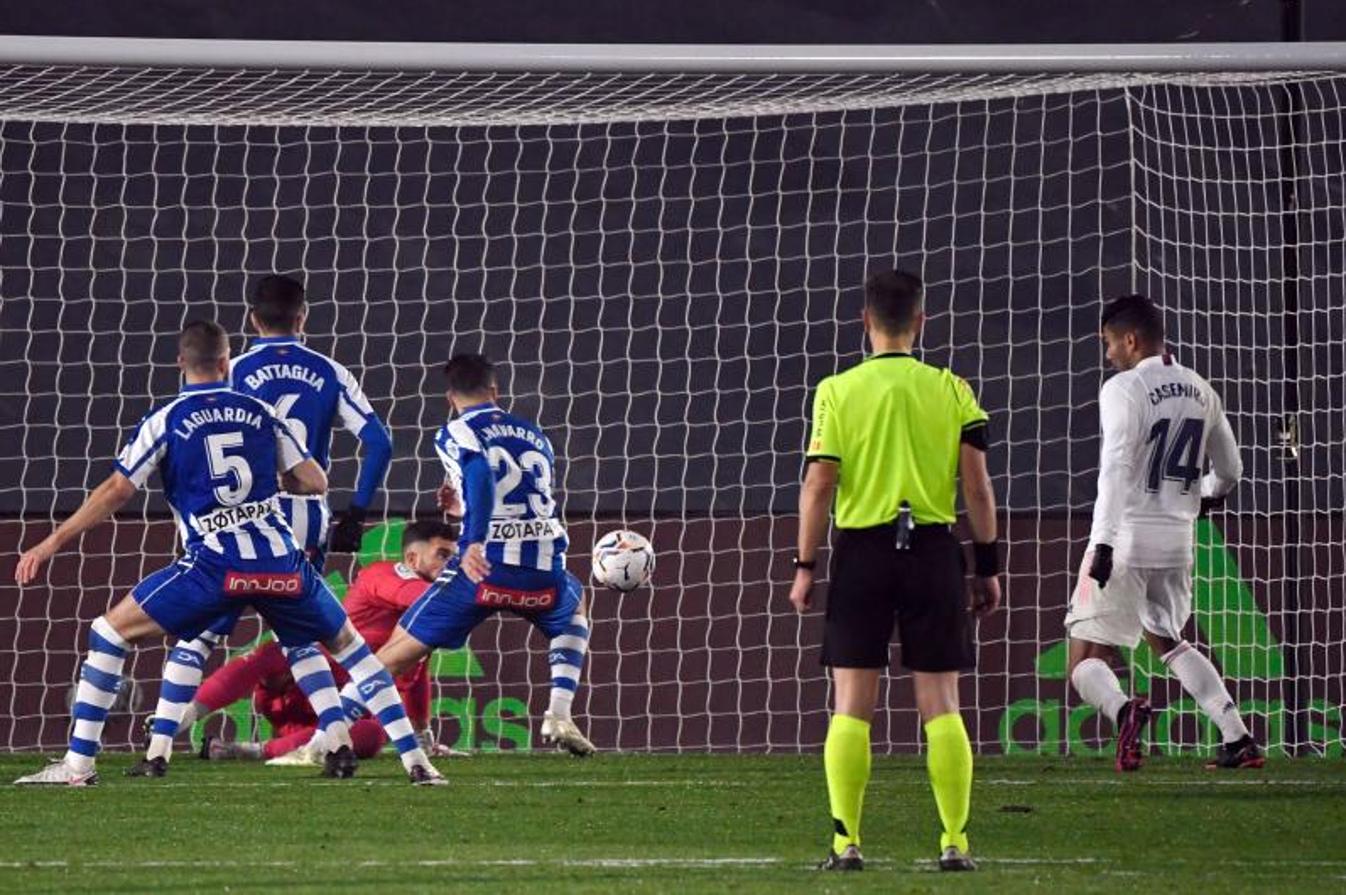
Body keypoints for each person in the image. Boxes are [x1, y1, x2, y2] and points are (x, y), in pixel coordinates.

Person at [12, 320, 441, 786]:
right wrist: (268, 482)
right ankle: (418, 763)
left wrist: (51, 541)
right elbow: (315, 481)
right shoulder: (261, 412)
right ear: (224, 363)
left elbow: (118, 489)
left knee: (112, 633)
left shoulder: (167, 418)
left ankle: (82, 766)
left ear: (181, 364)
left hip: (213, 568)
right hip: (283, 564)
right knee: (353, 652)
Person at [135, 275, 393, 775]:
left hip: (240, 521)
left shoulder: (232, 371)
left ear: (252, 320)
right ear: (303, 318)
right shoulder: (330, 370)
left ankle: (161, 744)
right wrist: (357, 514)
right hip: (305, 519)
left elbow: (204, 432)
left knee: (199, 636)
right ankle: (337, 743)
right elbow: (380, 442)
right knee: (298, 637)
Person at [789, 269, 1001, 872]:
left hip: (863, 553)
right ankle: (955, 842)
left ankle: (845, 842)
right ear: (921, 322)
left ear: (865, 322)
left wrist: (804, 566)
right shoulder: (953, 389)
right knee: (942, 702)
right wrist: (986, 566)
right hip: (935, 551)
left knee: (851, 702)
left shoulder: (837, 389)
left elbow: (819, 484)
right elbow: (977, 487)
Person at [339, 353, 596, 756]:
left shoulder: (454, 431)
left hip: (485, 567)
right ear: (495, 391)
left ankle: (330, 732)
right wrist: (462, 509)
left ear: (449, 397)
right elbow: (526, 500)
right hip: (544, 566)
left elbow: (479, 475)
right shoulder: (535, 435)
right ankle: (559, 712)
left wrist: (472, 536)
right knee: (575, 603)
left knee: (400, 647)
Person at [1066, 294, 1263, 771]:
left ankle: (1123, 710)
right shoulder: (1200, 389)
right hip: (1177, 543)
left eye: (1109, 344)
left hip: (1127, 538)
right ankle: (1237, 736)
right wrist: (1204, 495)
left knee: (1083, 659)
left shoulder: (1122, 388)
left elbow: (1114, 468)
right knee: (1169, 639)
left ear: (1131, 340)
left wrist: (1105, 543)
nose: (1109, 354)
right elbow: (1231, 471)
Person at [177, 521, 458, 764]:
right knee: (277, 653)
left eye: (454, 558)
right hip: (302, 687)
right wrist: (468, 595)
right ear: (411, 558)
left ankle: (249, 751)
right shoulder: (384, 575)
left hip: (334, 716)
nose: (450, 565)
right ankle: (181, 718)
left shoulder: (427, 617)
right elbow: (414, 595)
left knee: (371, 734)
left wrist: (423, 736)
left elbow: (418, 672)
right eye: (443, 555)